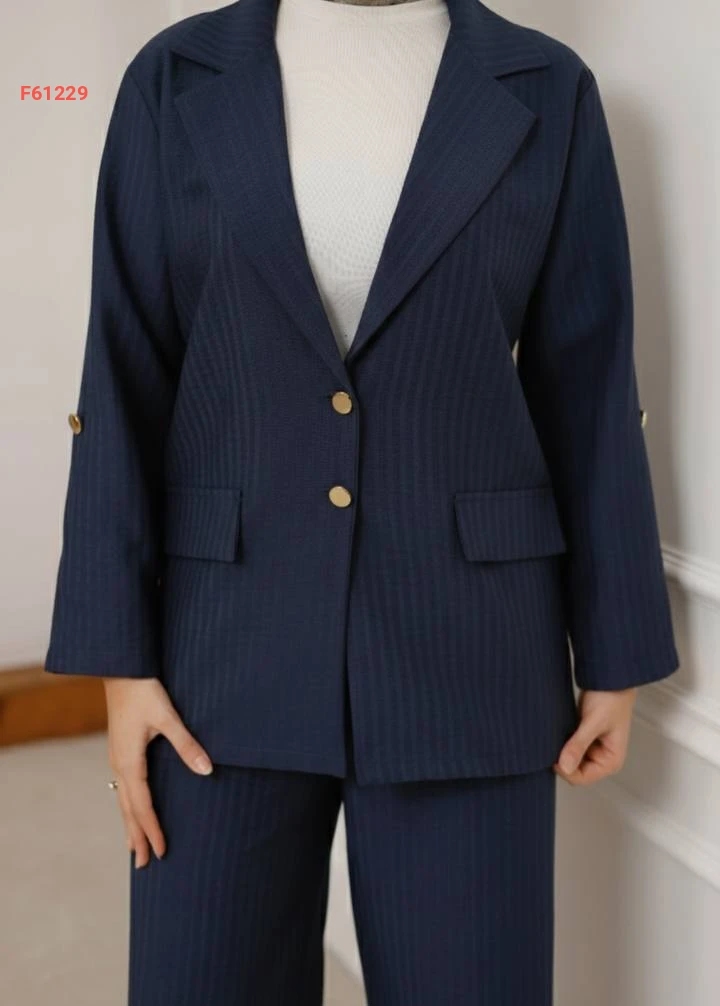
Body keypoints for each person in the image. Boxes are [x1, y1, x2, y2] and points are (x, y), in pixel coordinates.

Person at [45, 0, 680, 1002]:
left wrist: (616, 652)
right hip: (218, 652)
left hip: (471, 654)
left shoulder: (547, 88)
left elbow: (588, 385)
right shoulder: (172, 78)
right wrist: (122, 666)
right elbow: (123, 375)